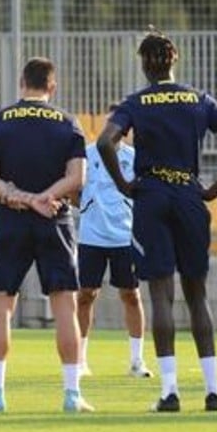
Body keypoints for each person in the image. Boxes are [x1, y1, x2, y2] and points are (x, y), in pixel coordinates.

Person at [97, 29, 217, 413]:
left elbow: (104, 142)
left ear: (144, 63)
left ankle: (169, 392)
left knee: (160, 294)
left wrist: (124, 184)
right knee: (197, 294)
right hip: (188, 193)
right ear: (173, 59)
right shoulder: (198, 99)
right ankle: (213, 391)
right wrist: (214, 189)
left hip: (151, 195)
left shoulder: (136, 102)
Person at [0, 56, 91, 413]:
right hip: (55, 220)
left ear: (22, 82)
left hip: (10, 220)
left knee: (1, 307)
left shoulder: (0, 121)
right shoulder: (68, 123)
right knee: (65, 307)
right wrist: (44, 198)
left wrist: (19, 197)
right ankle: (72, 394)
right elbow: (77, 178)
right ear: (51, 87)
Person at [76, 115, 150, 378]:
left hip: (124, 236)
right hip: (91, 237)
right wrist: (87, 207)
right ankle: (80, 360)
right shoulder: (86, 155)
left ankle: (137, 361)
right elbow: (75, 189)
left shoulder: (135, 157)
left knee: (131, 294)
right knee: (86, 294)